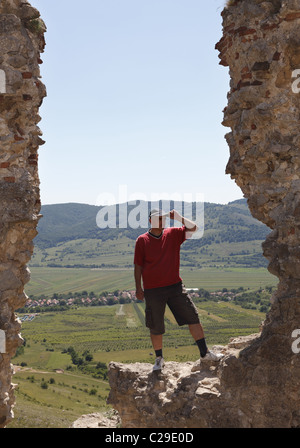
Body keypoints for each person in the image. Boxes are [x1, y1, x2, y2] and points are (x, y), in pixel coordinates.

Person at [134, 208, 223, 371]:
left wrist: (180, 218)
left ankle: (205, 353)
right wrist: (138, 288)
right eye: (159, 219)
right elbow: (138, 266)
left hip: (175, 286)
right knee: (155, 325)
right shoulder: (142, 240)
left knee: (193, 317)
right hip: (153, 290)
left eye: (163, 219)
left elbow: (193, 228)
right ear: (150, 222)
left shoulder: (173, 234)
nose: (163, 222)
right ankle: (159, 359)